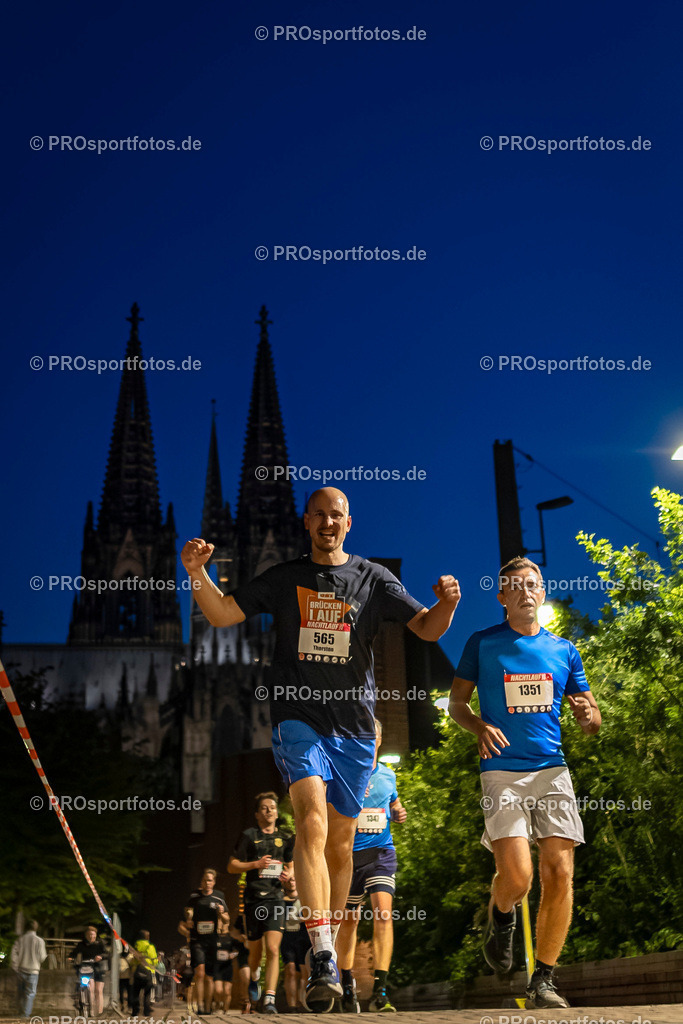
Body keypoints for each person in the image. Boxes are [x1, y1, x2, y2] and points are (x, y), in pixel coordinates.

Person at [182, 487, 460, 1005]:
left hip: (354, 728)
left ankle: (328, 945)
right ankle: (324, 952)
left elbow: (424, 628)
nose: (328, 523)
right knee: (310, 820)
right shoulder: (285, 578)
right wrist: (197, 572)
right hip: (298, 717)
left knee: (339, 844)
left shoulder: (373, 578)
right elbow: (221, 614)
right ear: (306, 522)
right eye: (320, 516)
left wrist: (446, 604)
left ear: (348, 524)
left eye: (337, 516)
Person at [449, 556, 602, 1010]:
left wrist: (587, 716)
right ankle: (500, 915)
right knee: (518, 876)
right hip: (500, 770)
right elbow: (456, 703)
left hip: (552, 769)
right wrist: (477, 726)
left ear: (541, 591)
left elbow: (593, 719)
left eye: (532, 585)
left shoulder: (564, 650)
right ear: (502, 598)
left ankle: (544, 979)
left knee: (559, 871)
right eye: (514, 586)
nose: (524, 592)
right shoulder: (483, 643)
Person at [336, 718, 407, 1013]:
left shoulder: (388, 775)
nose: (368, 740)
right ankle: (347, 986)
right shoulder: (344, 773)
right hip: (350, 858)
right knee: (349, 921)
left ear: (378, 740)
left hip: (381, 853)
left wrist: (399, 810)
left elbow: (394, 803)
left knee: (383, 913)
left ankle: (381, 990)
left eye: (372, 736)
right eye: (362, 735)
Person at [228, 792, 295, 1014]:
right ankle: (254, 978)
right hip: (254, 900)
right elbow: (232, 866)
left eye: (272, 807)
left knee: (274, 949)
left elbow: (291, 864)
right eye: (264, 808)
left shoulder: (285, 838)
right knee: (255, 953)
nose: (269, 811)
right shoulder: (249, 836)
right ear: (257, 814)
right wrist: (255, 864)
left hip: (276, 899)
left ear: (277, 813)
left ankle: (269, 999)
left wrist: (288, 875)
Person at [179, 868, 230, 1015]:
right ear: (202, 881)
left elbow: (227, 919)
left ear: (213, 883)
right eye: (205, 880)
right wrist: (189, 919)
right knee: (199, 973)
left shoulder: (219, 897)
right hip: (197, 940)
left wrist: (221, 913)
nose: (207, 883)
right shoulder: (194, 896)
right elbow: (187, 914)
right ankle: (200, 1006)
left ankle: (208, 1006)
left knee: (209, 976)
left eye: (210, 880)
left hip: (212, 940)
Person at [280, 874, 311, 1011]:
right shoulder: (279, 899)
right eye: (289, 879)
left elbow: (315, 914)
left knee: (304, 972)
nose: (292, 881)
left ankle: (303, 1003)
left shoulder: (305, 898)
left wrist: (300, 919)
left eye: (295, 878)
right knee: (290, 970)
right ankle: (292, 1006)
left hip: (303, 938)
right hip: (287, 938)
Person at [213, 916, 250, 1013]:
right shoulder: (214, 937)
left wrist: (231, 955)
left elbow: (238, 951)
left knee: (227, 991)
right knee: (218, 990)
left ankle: (225, 1010)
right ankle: (217, 1003)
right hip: (217, 967)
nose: (221, 925)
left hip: (227, 967)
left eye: (223, 923)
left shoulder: (231, 937)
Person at [11, 920, 47, 1018]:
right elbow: (42, 957)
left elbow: (14, 954)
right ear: (36, 928)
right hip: (33, 971)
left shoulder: (20, 939)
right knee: (30, 994)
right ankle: (25, 1014)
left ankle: (20, 1011)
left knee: (20, 992)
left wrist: (15, 966)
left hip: (21, 969)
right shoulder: (39, 940)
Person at [70, 925, 106, 1014]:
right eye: (89, 935)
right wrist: (70, 957)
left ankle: (100, 1011)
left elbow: (106, 954)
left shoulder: (100, 943)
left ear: (96, 935)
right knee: (90, 988)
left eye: (93, 935)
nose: (91, 937)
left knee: (98, 990)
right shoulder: (81, 944)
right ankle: (91, 1010)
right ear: (86, 935)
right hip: (87, 967)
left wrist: (100, 957)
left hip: (99, 969)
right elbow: (74, 952)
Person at [130, 930, 159, 1017]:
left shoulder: (135, 947)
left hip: (137, 971)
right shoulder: (150, 947)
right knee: (147, 993)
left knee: (135, 993)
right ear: (147, 937)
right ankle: (146, 1012)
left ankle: (135, 1012)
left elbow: (132, 960)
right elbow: (154, 960)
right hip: (148, 971)